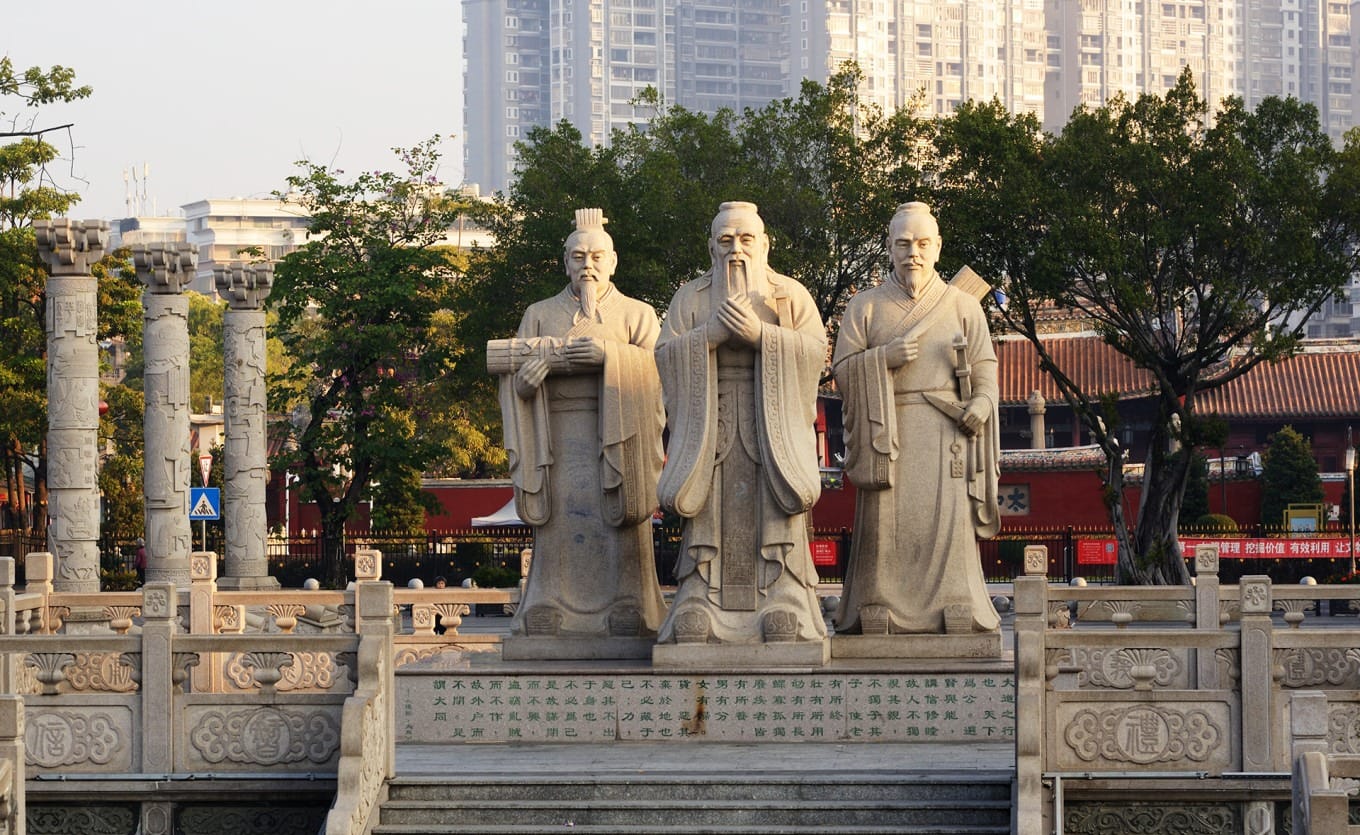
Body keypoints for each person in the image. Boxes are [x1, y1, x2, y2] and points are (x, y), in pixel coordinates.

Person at [489, 208, 667, 650]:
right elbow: (512, 374)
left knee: (619, 514)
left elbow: (663, 372)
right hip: (557, 437)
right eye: (577, 256)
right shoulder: (539, 314)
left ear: (613, 261)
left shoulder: (638, 314)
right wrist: (525, 384)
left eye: (596, 256)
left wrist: (611, 356)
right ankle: (547, 605)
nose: (587, 264)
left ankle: (631, 605)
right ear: (564, 262)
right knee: (559, 520)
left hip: (619, 434)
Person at [653, 201, 828, 649]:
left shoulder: (790, 294)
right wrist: (707, 337)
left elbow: (815, 353)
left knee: (775, 512)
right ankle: (699, 598)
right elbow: (664, 355)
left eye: (746, 239)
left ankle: (783, 596)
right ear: (711, 246)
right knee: (709, 513)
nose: (736, 249)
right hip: (709, 423)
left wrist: (763, 338)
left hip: (773, 425)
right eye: (726, 239)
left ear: (764, 244)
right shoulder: (689, 298)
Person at [831, 201, 1000, 635]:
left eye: (923, 243)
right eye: (904, 243)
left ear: (938, 248)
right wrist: (882, 359)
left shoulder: (963, 305)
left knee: (948, 525)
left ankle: (955, 602)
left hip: (947, 430)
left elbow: (985, 367)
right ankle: (877, 604)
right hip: (888, 432)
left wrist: (981, 402)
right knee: (885, 525)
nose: (914, 253)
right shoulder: (865, 307)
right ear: (889, 247)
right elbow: (842, 373)